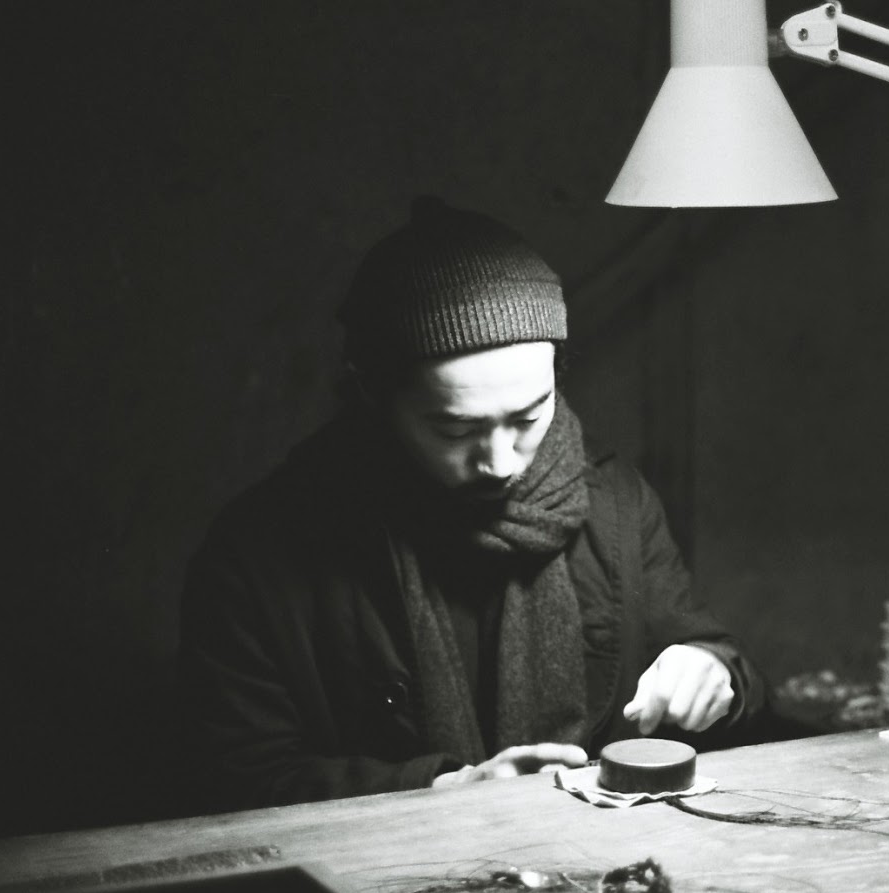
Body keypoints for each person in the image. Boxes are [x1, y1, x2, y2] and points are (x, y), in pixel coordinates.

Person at [177, 197, 765, 810]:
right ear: (374, 398)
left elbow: (727, 672)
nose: (501, 461)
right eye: (456, 430)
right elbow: (229, 778)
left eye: (529, 417)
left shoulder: (615, 503)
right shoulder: (263, 548)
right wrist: (440, 792)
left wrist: (715, 673)